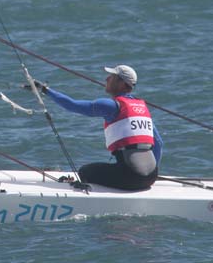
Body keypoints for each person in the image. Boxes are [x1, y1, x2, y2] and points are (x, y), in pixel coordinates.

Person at [33, 65, 162, 190]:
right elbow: (159, 143)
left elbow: (73, 105)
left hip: (131, 178)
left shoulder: (112, 106)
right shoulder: (142, 108)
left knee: (85, 171)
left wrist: (45, 90)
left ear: (122, 83)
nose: (106, 79)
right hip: (151, 177)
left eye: (111, 77)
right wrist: (148, 176)